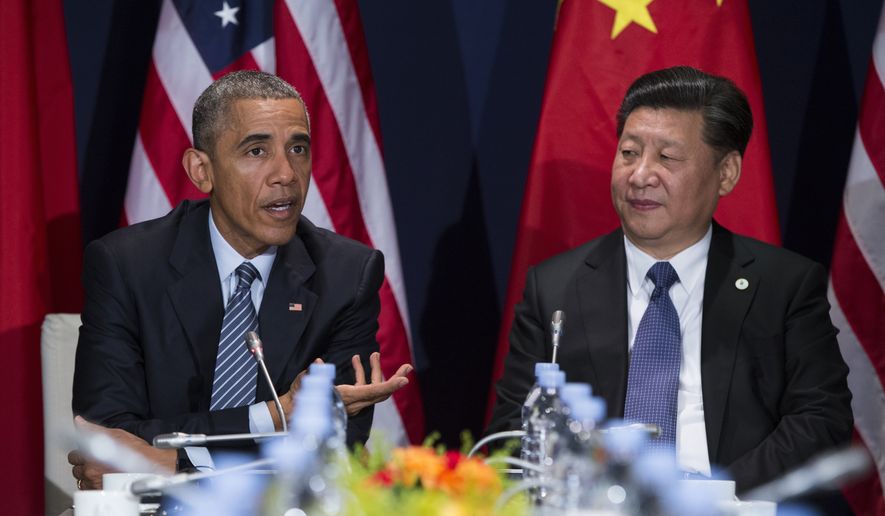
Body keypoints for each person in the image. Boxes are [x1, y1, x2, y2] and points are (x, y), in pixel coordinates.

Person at [488, 66, 853, 491]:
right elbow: (513, 436)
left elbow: (822, 419)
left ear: (727, 173)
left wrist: (714, 493)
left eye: (667, 157)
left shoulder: (785, 286)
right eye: (629, 153)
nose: (640, 175)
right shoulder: (554, 287)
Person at [70, 70, 411, 489]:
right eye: (256, 151)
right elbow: (104, 446)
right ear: (201, 170)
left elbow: (332, 457)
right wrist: (275, 414)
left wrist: (177, 462)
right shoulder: (127, 265)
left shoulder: (346, 275)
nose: (286, 173)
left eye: (298, 148)